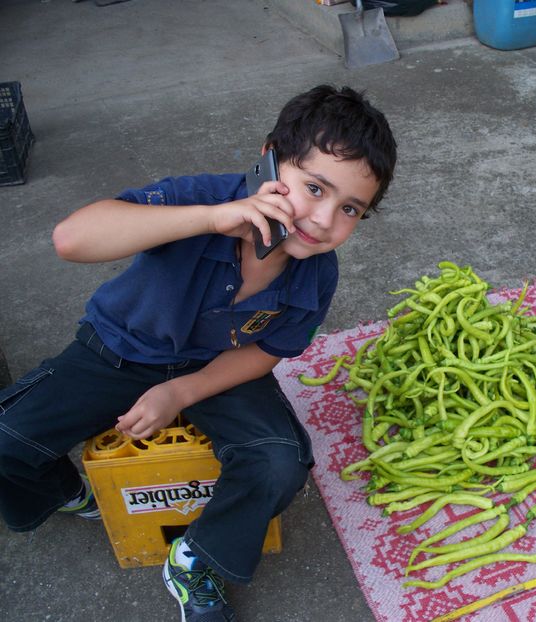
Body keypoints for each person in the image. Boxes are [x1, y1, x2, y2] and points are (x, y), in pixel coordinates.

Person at [0, 84, 397, 622]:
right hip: (116, 349)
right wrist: (209, 218)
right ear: (268, 159)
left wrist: (179, 390)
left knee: (280, 462)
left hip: (219, 370)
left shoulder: (316, 274)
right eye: (313, 187)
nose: (324, 219)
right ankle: (67, 491)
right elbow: (73, 239)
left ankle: (195, 558)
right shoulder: (202, 197)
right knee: (7, 443)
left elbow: (266, 352)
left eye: (350, 207)